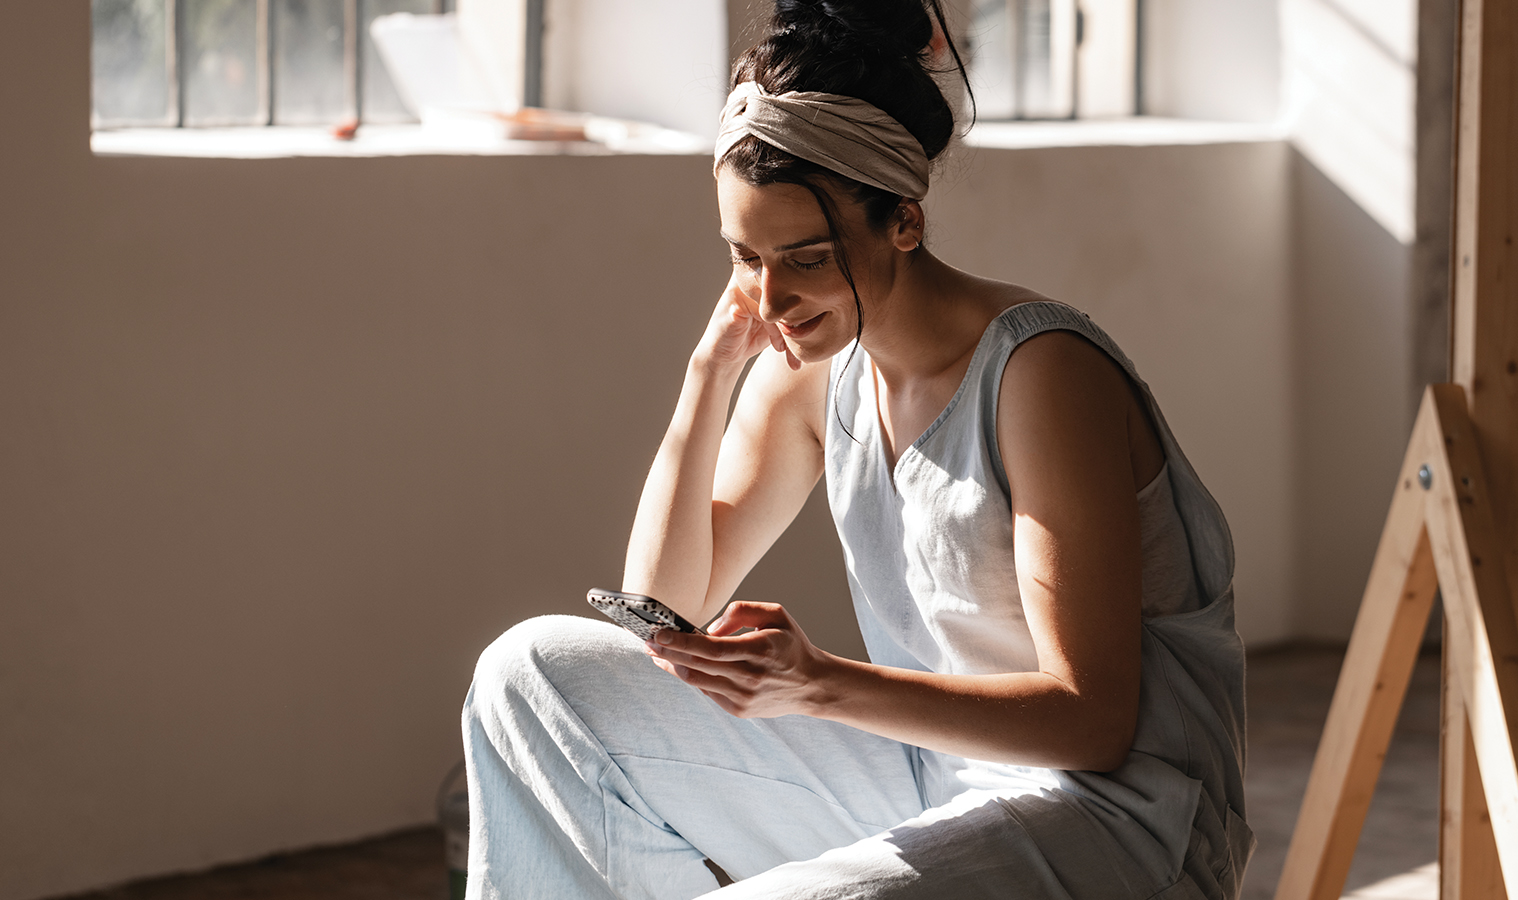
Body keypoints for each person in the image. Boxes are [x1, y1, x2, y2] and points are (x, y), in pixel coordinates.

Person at [462, 1, 1254, 897]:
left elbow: (1091, 722)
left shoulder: (1040, 374)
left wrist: (817, 683)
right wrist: (708, 375)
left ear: (903, 224)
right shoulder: (813, 370)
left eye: (803, 258)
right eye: (743, 257)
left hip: (1118, 817)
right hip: (931, 777)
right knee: (527, 675)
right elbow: (662, 606)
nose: (771, 297)